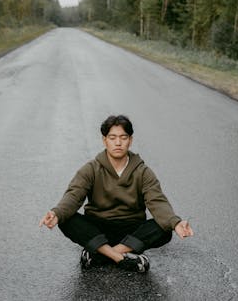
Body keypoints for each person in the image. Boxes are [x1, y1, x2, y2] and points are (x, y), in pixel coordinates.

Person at [39, 115, 194, 273]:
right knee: (66, 219)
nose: (118, 143)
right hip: (98, 228)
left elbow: (157, 201)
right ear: (104, 140)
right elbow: (73, 196)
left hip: (131, 230)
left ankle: (101, 254)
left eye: (123, 137)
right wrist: (57, 213)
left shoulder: (143, 172)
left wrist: (175, 223)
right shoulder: (91, 168)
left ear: (130, 140)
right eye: (112, 137)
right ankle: (122, 258)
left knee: (165, 228)